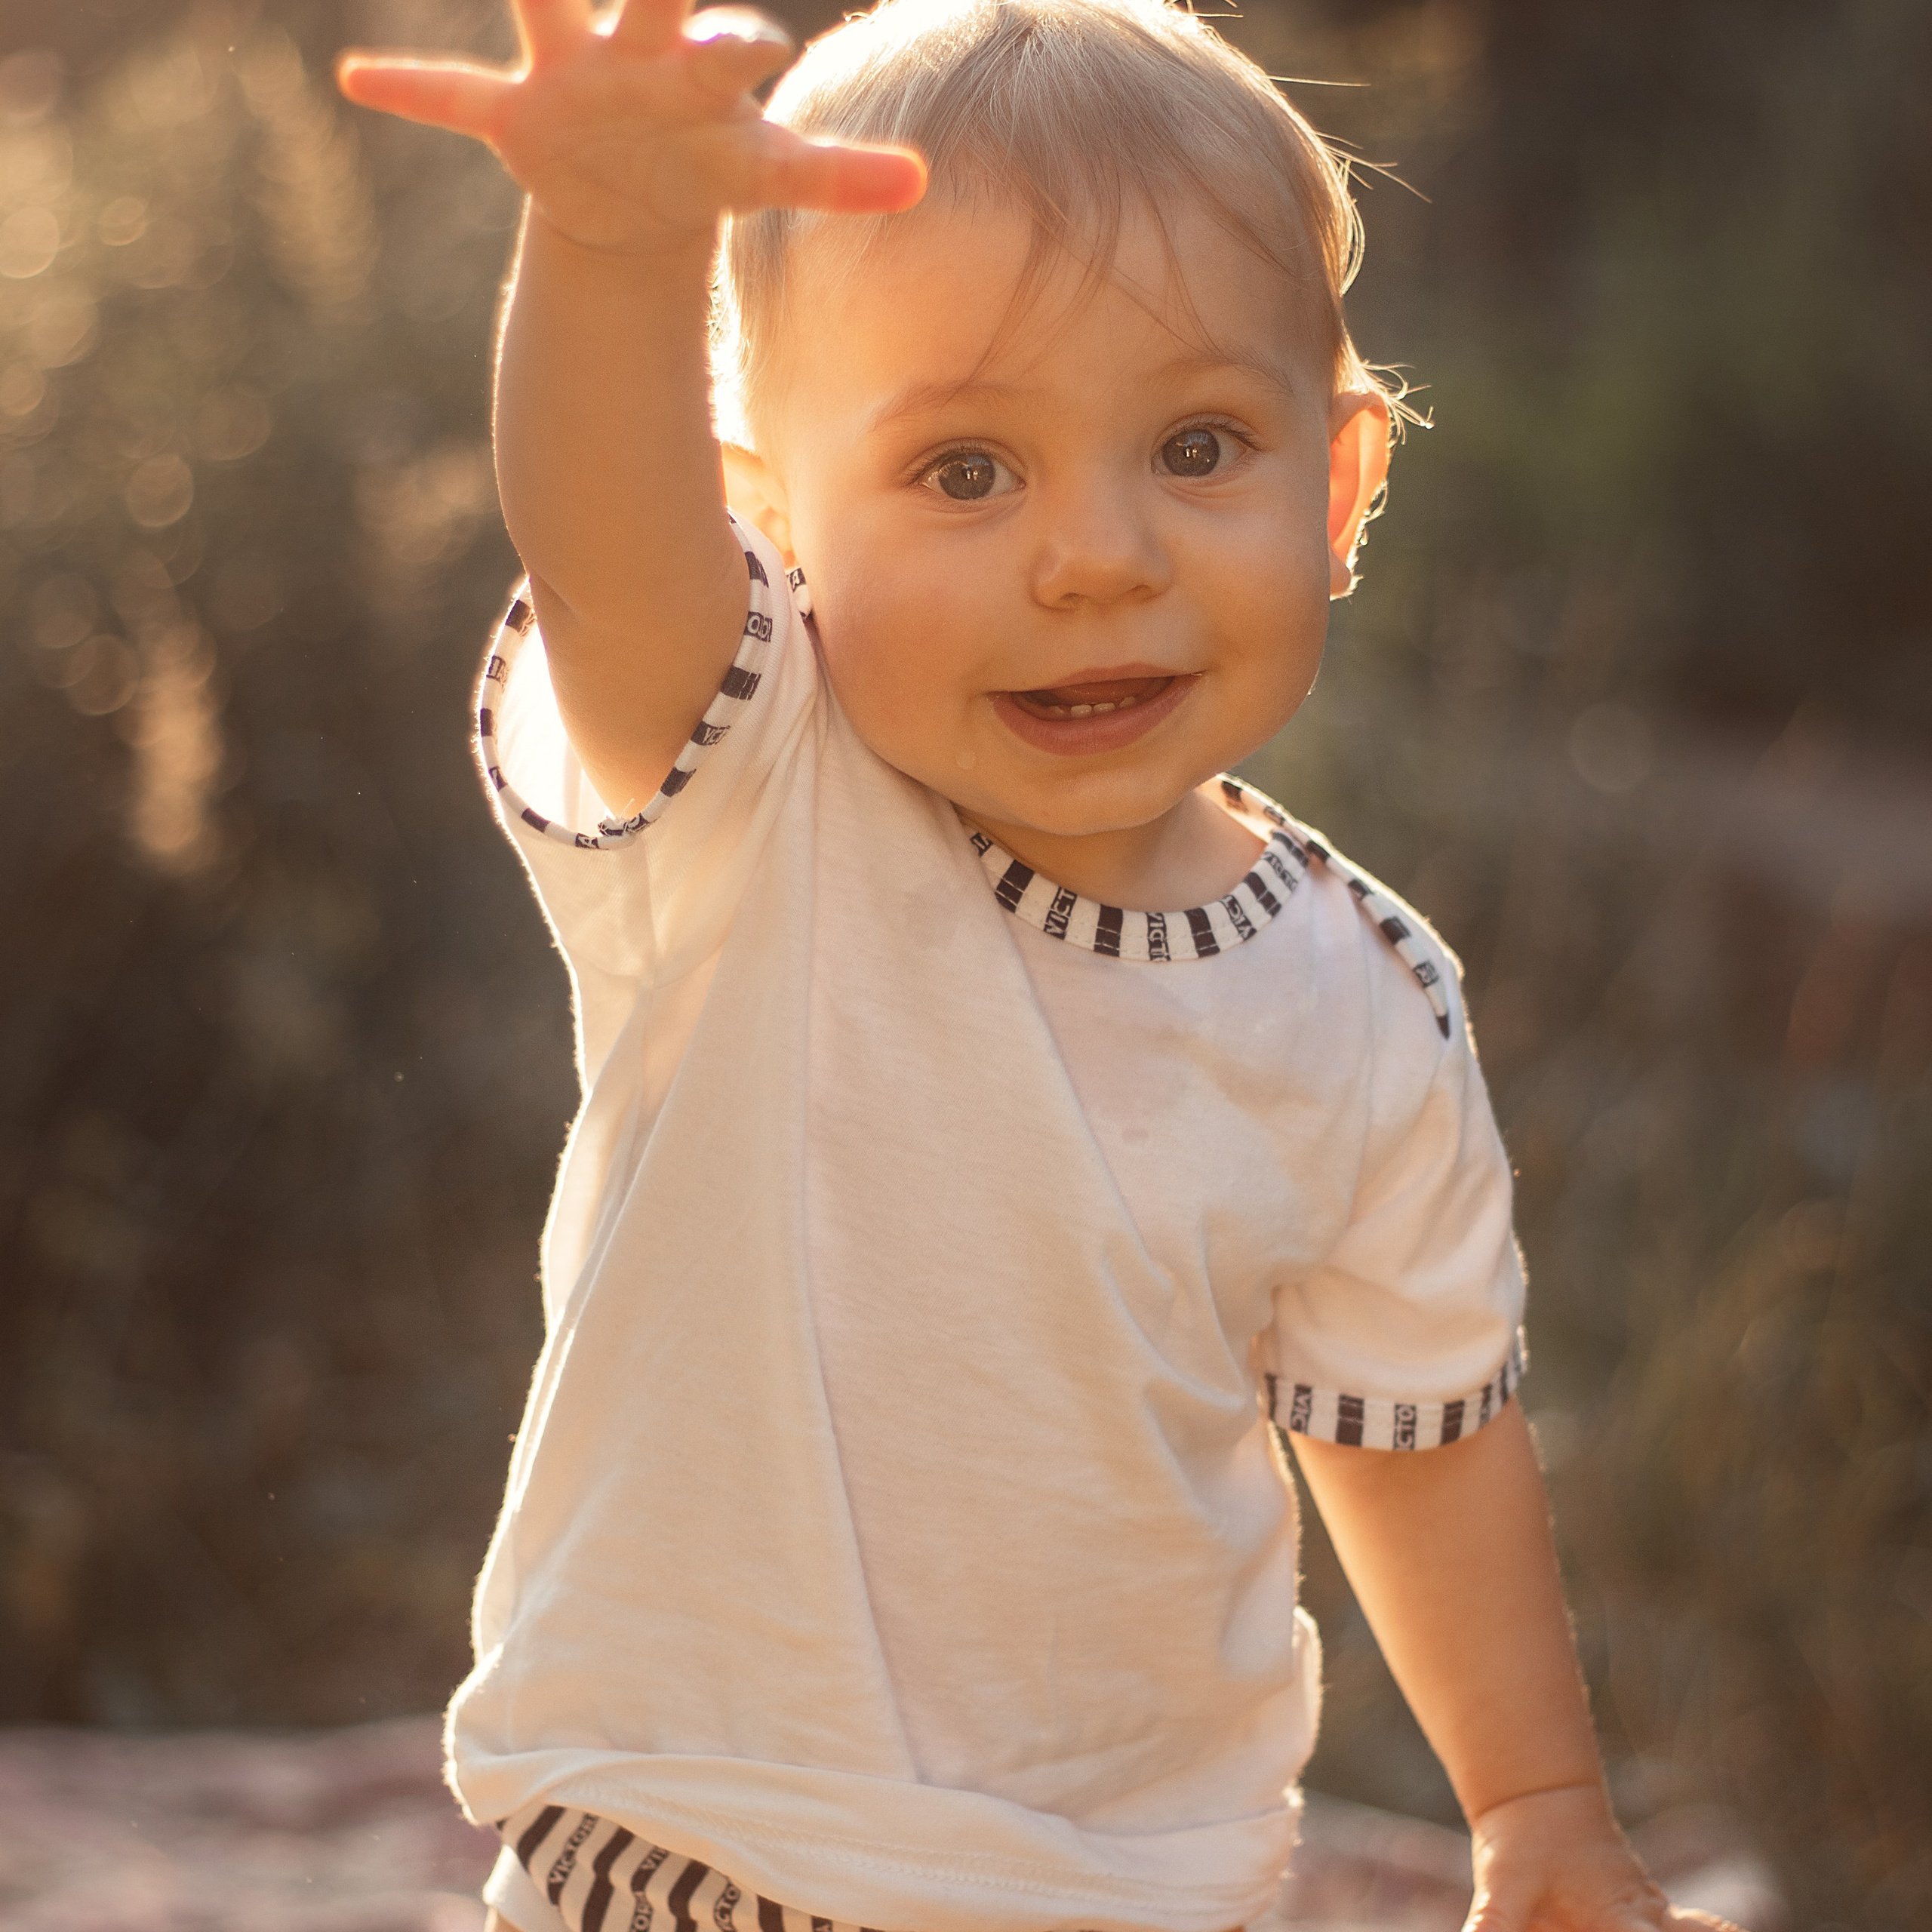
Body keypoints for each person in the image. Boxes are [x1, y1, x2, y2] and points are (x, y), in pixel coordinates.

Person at [336, 4, 1743, 1930]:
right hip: (696, 1836)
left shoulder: (1357, 996)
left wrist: (1538, 1801)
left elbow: (1415, 1422)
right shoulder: (755, 785)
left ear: (1334, 495)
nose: (1095, 554)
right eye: (965, 470)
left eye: (1192, 445)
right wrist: (606, 241)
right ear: (772, 517)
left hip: (1143, 1875)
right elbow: (600, 546)